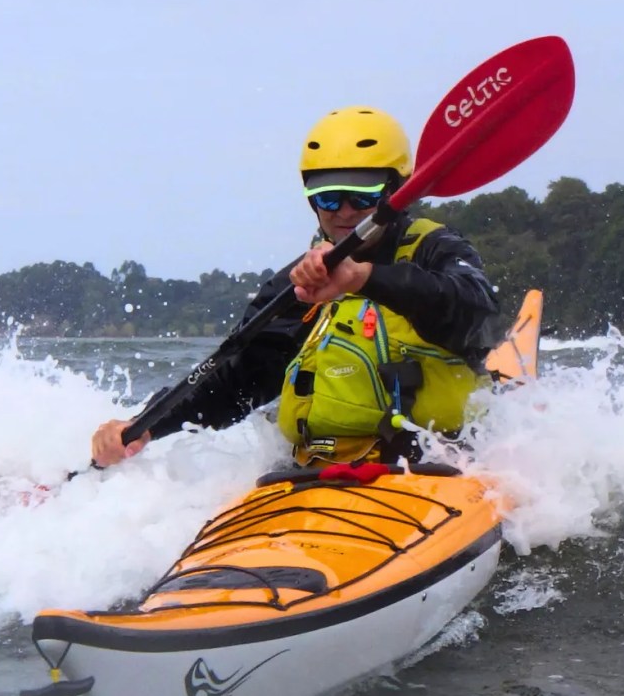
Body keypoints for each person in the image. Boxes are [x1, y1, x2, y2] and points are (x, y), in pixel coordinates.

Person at [91, 105, 504, 468]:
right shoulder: (300, 280)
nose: (344, 212)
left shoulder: (435, 249)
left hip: (431, 463)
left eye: (362, 197)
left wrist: (364, 278)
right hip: (316, 471)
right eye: (328, 197)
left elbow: (479, 317)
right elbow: (238, 378)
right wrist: (146, 425)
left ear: (395, 190)